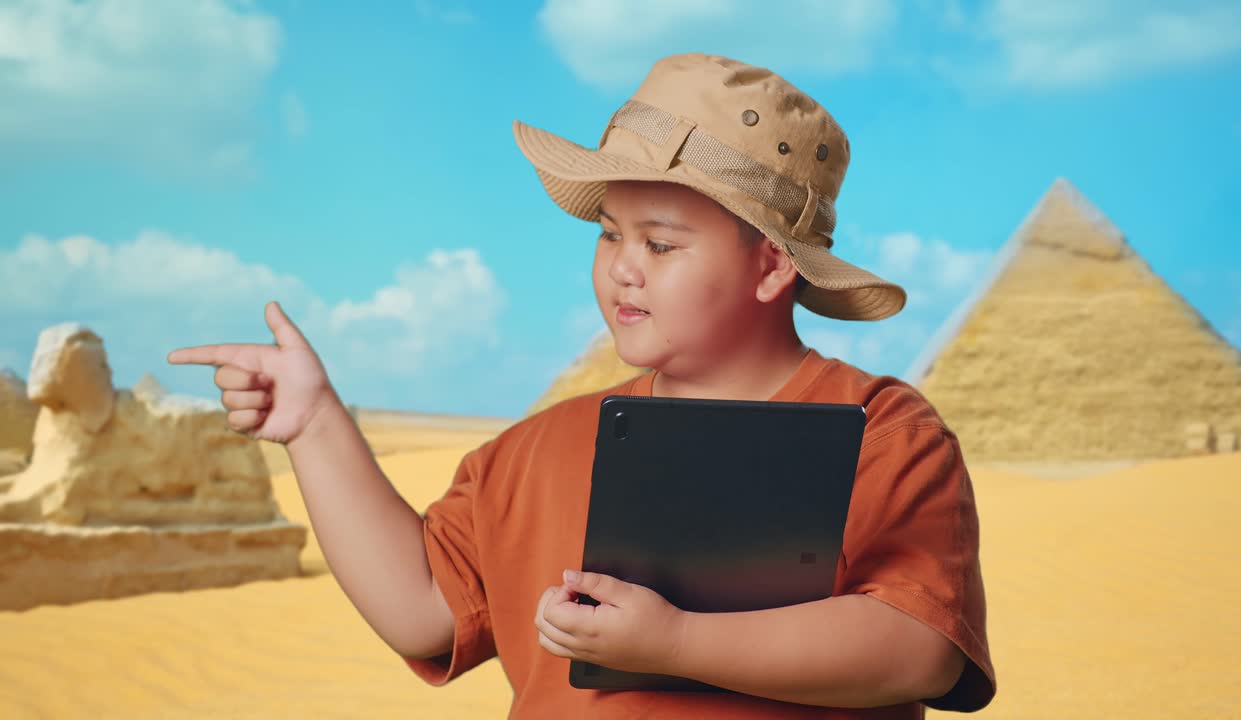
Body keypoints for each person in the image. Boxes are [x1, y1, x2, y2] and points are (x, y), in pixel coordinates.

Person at [169, 53, 996, 718]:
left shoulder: (879, 430)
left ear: (773, 263)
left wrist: (674, 644)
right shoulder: (539, 447)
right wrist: (315, 423)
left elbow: (919, 647)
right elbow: (422, 607)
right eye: (608, 237)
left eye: (662, 245)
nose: (622, 269)